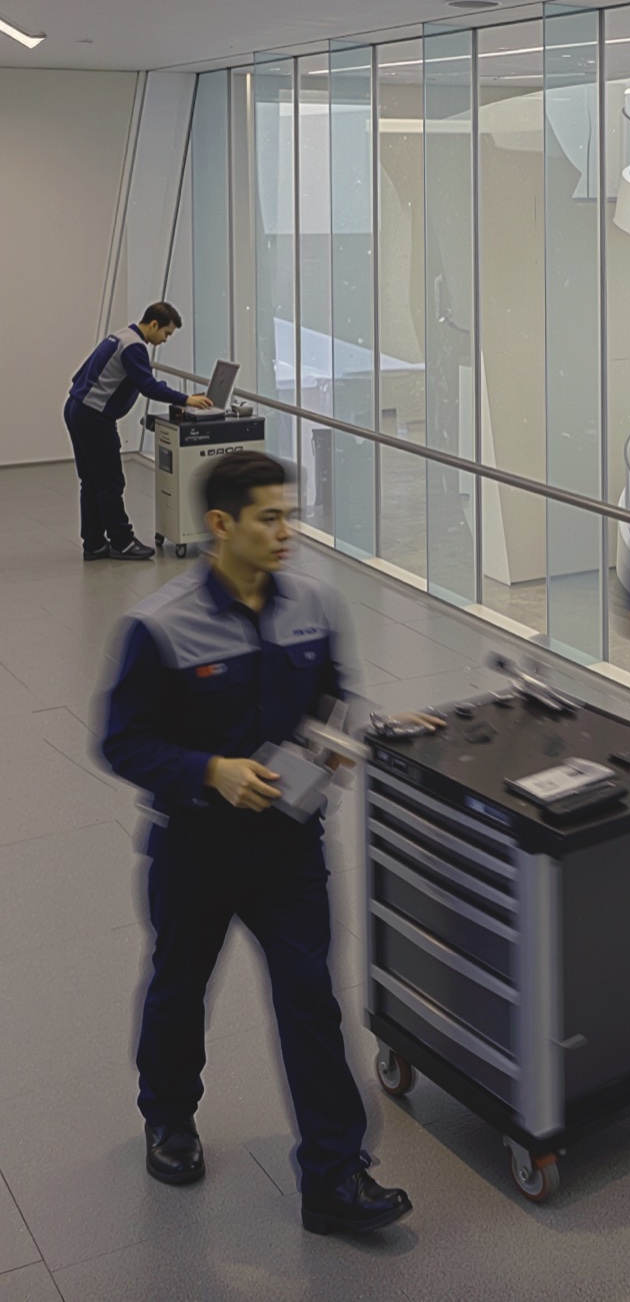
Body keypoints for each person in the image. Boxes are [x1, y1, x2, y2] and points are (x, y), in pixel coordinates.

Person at [98, 451, 413, 1236]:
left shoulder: (316, 602)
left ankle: (335, 1176)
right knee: (180, 987)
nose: (286, 531)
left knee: (311, 999)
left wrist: (337, 745)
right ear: (220, 524)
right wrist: (209, 771)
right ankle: (168, 1117)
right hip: (195, 848)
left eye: (289, 514)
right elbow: (122, 742)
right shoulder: (159, 625)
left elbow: (339, 696)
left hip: (289, 848)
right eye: (269, 517)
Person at [65, 302, 212, 561]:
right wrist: (186, 399)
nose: (165, 340)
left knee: (91, 481)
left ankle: (95, 544)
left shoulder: (120, 336)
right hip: (94, 418)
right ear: (153, 324)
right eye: (166, 334)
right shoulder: (135, 347)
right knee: (111, 482)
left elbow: (80, 376)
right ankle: (122, 542)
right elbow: (149, 387)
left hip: (76, 408)